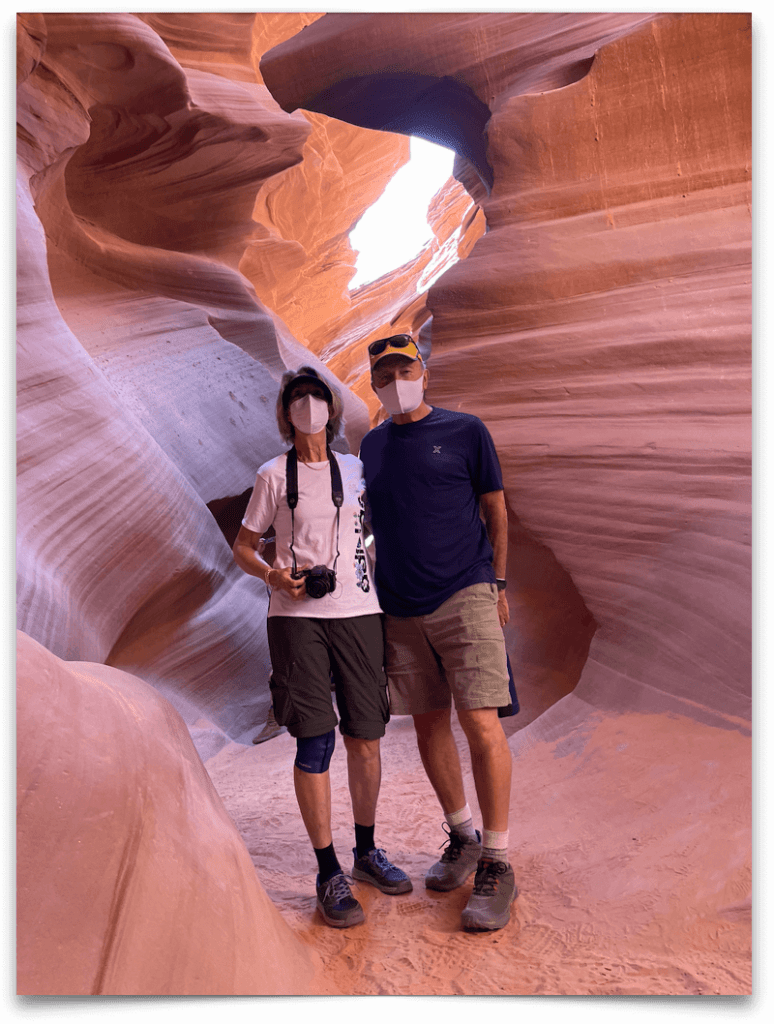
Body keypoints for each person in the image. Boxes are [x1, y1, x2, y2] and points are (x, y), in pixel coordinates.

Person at [233, 366, 411, 929]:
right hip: (295, 619)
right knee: (314, 742)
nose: (309, 405)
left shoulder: (355, 468)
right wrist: (271, 576)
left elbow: (377, 526)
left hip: (359, 612)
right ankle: (327, 868)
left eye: (317, 396)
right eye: (298, 398)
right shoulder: (271, 475)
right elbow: (244, 545)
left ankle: (365, 852)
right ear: (285, 413)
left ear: (332, 410)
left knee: (366, 736)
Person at [358, 334, 517, 932]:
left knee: (480, 721)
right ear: (373, 384)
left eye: (406, 367)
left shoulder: (465, 430)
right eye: (385, 373)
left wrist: (497, 584)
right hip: (399, 605)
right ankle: (463, 836)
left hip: (466, 591)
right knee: (428, 723)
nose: (397, 379)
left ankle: (498, 860)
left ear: (423, 371)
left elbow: (496, 509)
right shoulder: (371, 445)